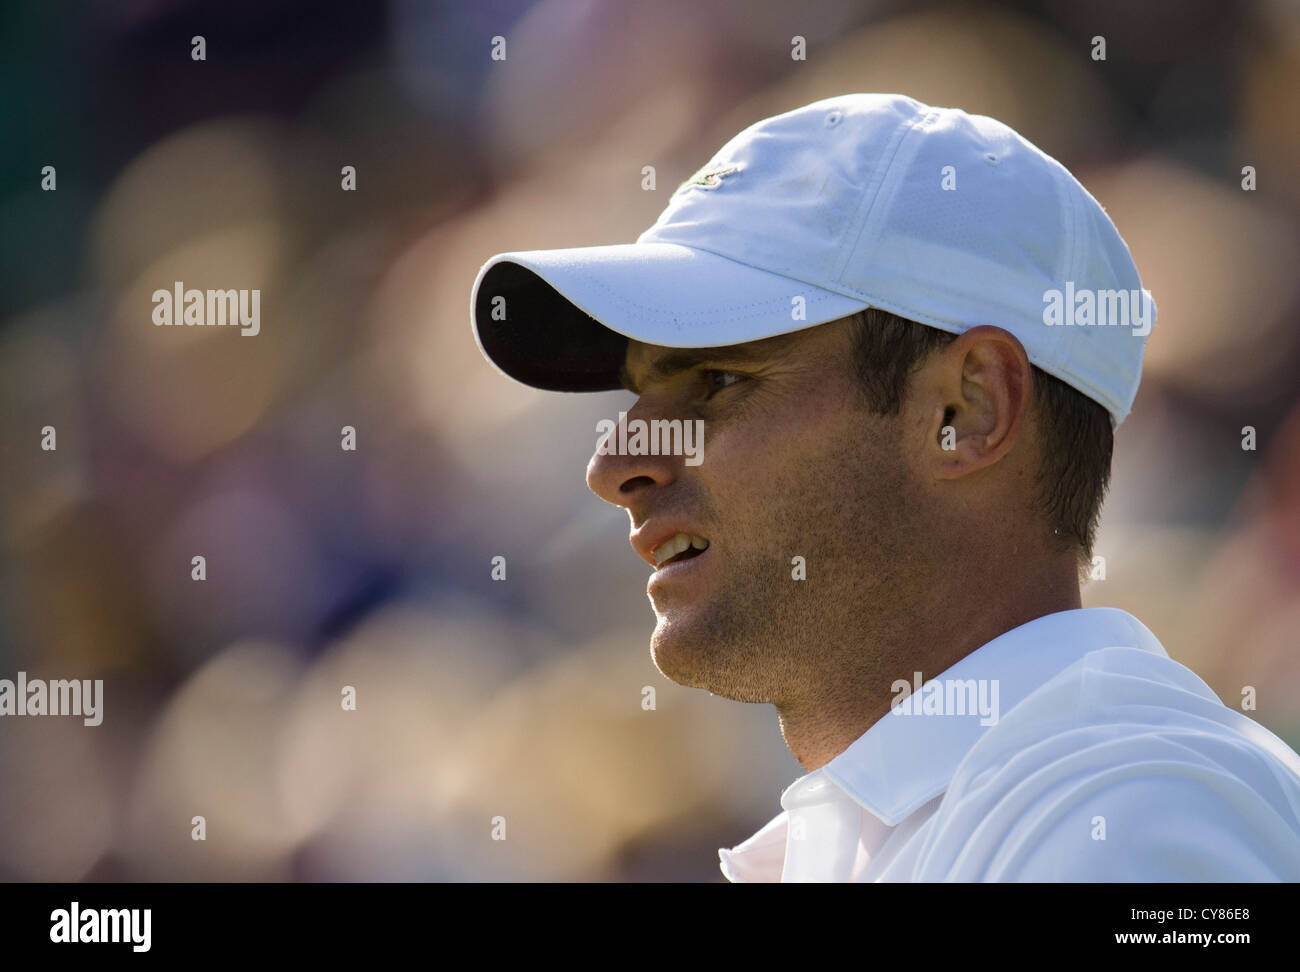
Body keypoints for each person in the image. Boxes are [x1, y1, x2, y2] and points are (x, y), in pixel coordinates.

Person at [470, 93, 1300, 881]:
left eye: (718, 380)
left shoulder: (1129, 814)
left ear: (966, 410)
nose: (615, 466)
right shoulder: (1039, 809)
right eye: (638, 394)